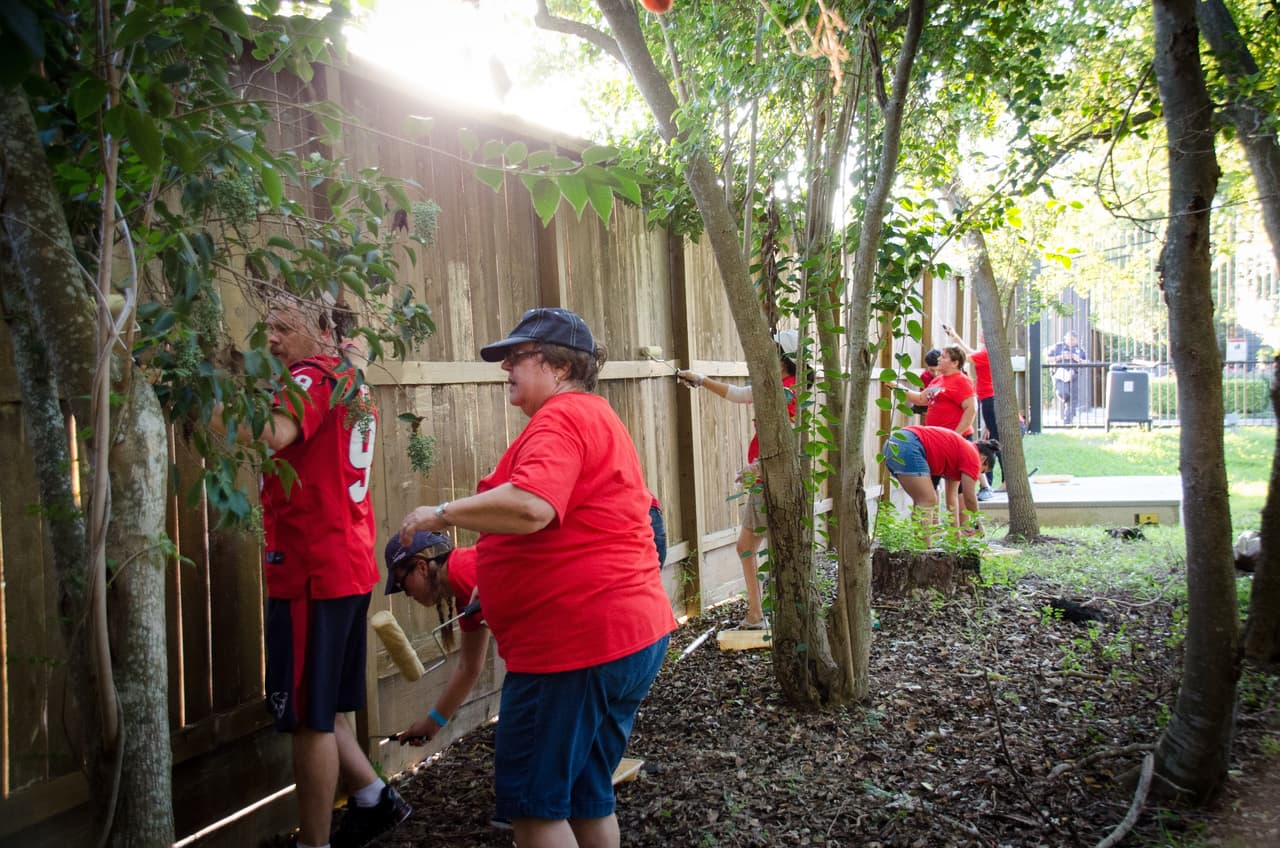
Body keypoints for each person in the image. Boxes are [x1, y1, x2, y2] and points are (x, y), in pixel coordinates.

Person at [397, 307, 675, 848]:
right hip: (626, 638)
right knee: (587, 797)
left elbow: (532, 506)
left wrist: (442, 513)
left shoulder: (561, 418)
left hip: (573, 649)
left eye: (516, 357)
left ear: (558, 366)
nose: (505, 368)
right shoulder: (593, 415)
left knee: (533, 810)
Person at [213, 296, 410, 848]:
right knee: (319, 704)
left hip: (311, 573)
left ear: (324, 330)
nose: (271, 338)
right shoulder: (349, 375)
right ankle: (373, 797)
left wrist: (199, 402)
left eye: (283, 326)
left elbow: (275, 432)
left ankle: (313, 843)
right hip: (344, 565)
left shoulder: (313, 376)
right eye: (269, 326)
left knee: (309, 720)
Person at [676, 329, 802, 630]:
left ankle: (760, 615)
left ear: (784, 358)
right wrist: (701, 380)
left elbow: (789, 439)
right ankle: (771, 614)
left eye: (773, 351)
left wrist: (758, 468)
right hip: (769, 477)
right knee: (766, 546)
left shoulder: (786, 392)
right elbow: (739, 394)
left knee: (749, 545)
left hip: (770, 480)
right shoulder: (779, 387)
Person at [384, 532, 490, 745]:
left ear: (422, 567)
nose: (407, 594)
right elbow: (469, 668)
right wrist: (431, 724)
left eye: (402, 584)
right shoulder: (463, 596)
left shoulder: (463, 569)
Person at [882, 425, 999, 535]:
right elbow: (969, 498)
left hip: (894, 443)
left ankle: (919, 545)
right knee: (928, 500)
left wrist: (956, 538)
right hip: (908, 444)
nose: (978, 475)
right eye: (982, 471)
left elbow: (952, 500)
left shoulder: (962, 453)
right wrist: (979, 524)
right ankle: (923, 547)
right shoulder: (973, 456)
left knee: (921, 502)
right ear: (983, 459)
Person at [942, 325, 1000, 498]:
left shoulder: (986, 354)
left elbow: (962, 358)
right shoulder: (985, 353)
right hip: (987, 397)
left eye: (984, 332)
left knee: (996, 439)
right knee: (991, 437)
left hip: (988, 397)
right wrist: (955, 337)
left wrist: (950, 353)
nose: (981, 333)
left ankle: (997, 482)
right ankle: (990, 483)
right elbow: (968, 353)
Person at [1048, 330, 1087, 425]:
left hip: (1073, 374)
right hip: (1060, 374)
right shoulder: (1058, 347)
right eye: (1069, 339)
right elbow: (1048, 359)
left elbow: (1086, 362)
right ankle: (1066, 405)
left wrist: (1078, 359)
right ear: (1065, 338)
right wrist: (1061, 357)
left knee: (1073, 397)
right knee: (1063, 393)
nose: (1071, 341)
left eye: (1073, 339)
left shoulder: (1080, 349)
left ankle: (1068, 420)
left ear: (1076, 340)